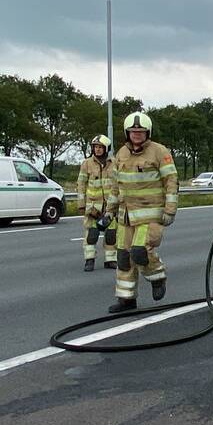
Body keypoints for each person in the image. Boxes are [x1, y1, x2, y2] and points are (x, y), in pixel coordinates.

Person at [104, 111, 179, 313]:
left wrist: (170, 211)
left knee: (140, 252)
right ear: (127, 133)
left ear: (148, 132)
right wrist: (109, 212)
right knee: (123, 257)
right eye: (133, 131)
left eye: (141, 131)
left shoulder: (159, 152)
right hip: (125, 216)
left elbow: (171, 182)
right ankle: (126, 299)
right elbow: (115, 187)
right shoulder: (121, 154)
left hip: (150, 214)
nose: (137, 134)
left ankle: (158, 277)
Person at [76, 134, 117, 272]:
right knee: (91, 234)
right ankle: (89, 260)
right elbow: (81, 184)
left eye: (100, 147)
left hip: (110, 208)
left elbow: (119, 184)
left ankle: (110, 260)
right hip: (93, 208)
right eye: (95, 147)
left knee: (111, 234)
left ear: (107, 148)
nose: (98, 149)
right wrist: (81, 204)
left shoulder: (114, 163)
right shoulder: (87, 164)